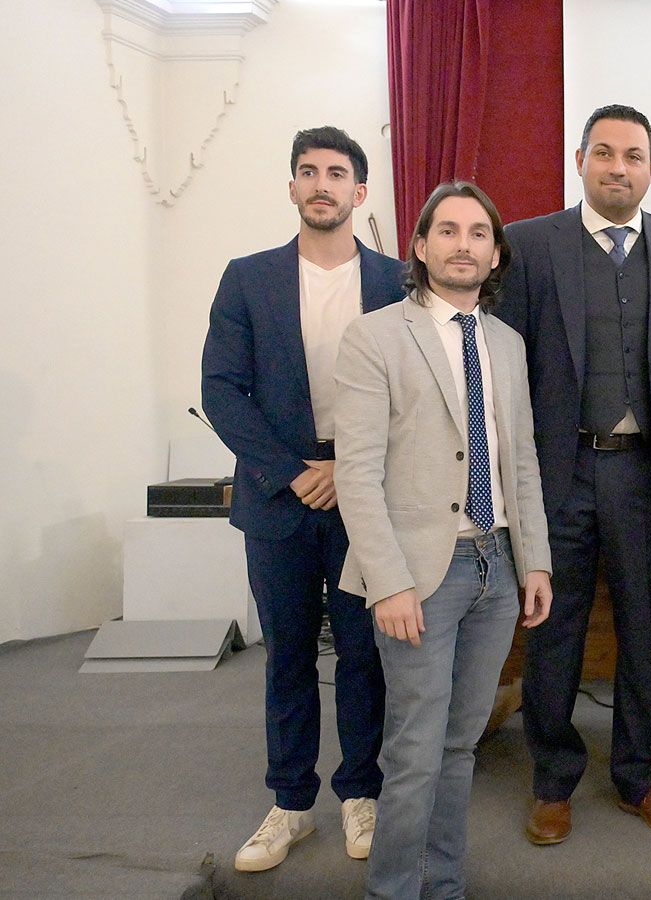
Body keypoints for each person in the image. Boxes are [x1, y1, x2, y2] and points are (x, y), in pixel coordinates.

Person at [334, 181, 554, 899]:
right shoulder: (375, 336)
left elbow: (520, 460)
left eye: (479, 233)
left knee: (460, 745)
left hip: (495, 563)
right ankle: (395, 890)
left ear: (496, 254)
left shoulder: (507, 343)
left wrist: (536, 562)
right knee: (415, 750)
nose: (465, 244)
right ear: (422, 246)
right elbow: (357, 475)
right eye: (449, 231)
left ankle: (445, 885)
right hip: (420, 575)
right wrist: (388, 581)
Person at [496, 104, 651, 846]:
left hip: (647, 473)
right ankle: (553, 781)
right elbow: (504, 368)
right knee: (555, 633)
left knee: (647, 632)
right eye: (606, 153)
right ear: (579, 158)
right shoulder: (526, 245)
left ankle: (642, 776)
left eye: (635, 156)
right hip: (560, 473)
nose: (620, 167)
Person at [201, 125, 401, 873]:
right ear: (291, 188)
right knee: (287, 654)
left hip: (365, 501)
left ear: (361, 192)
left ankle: (361, 793)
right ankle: (290, 805)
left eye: (336, 172)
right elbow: (221, 390)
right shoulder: (246, 278)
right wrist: (290, 471)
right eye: (308, 172)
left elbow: (413, 396)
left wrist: (345, 465)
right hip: (278, 500)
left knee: (363, 652)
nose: (322, 184)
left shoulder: (392, 283)